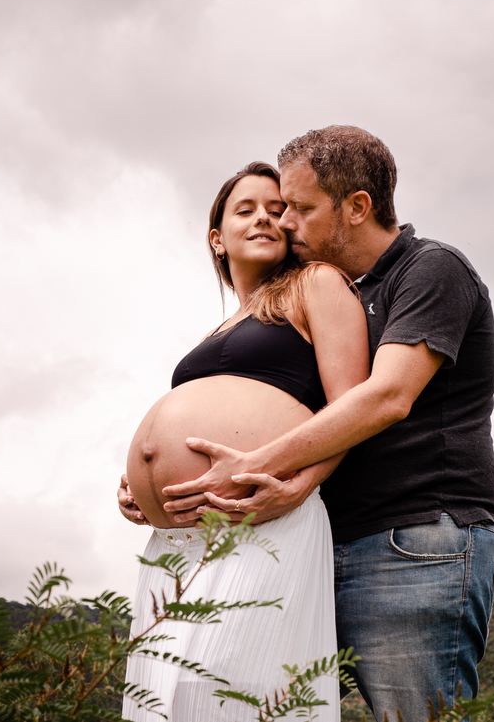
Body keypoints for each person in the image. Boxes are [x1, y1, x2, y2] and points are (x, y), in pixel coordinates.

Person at [157, 126, 494, 720]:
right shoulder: (341, 293)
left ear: (357, 207)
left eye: (299, 207)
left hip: (412, 539)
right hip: (327, 540)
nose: (285, 221)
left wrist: (256, 465)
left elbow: (387, 396)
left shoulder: (430, 269)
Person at [121, 161, 369, 721]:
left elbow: (353, 407)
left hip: (262, 515)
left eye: (277, 209)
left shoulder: (316, 285)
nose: (264, 217)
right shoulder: (220, 328)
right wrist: (140, 480)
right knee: (169, 695)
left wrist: (300, 486)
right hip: (179, 535)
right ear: (217, 238)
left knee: (237, 686)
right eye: (246, 208)